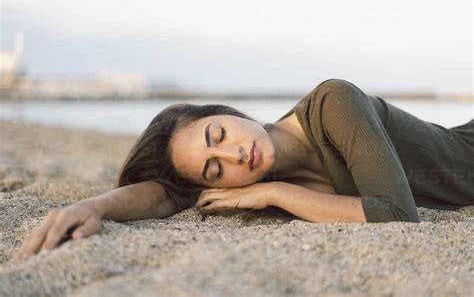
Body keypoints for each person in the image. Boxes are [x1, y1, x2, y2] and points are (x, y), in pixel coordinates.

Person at [13, 78, 474, 259]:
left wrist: (275, 195)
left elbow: (397, 214)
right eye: (214, 171)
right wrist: (95, 206)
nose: (234, 155)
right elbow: (163, 193)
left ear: (225, 111)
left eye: (218, 135)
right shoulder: (250, 176)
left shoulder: (334, 103)